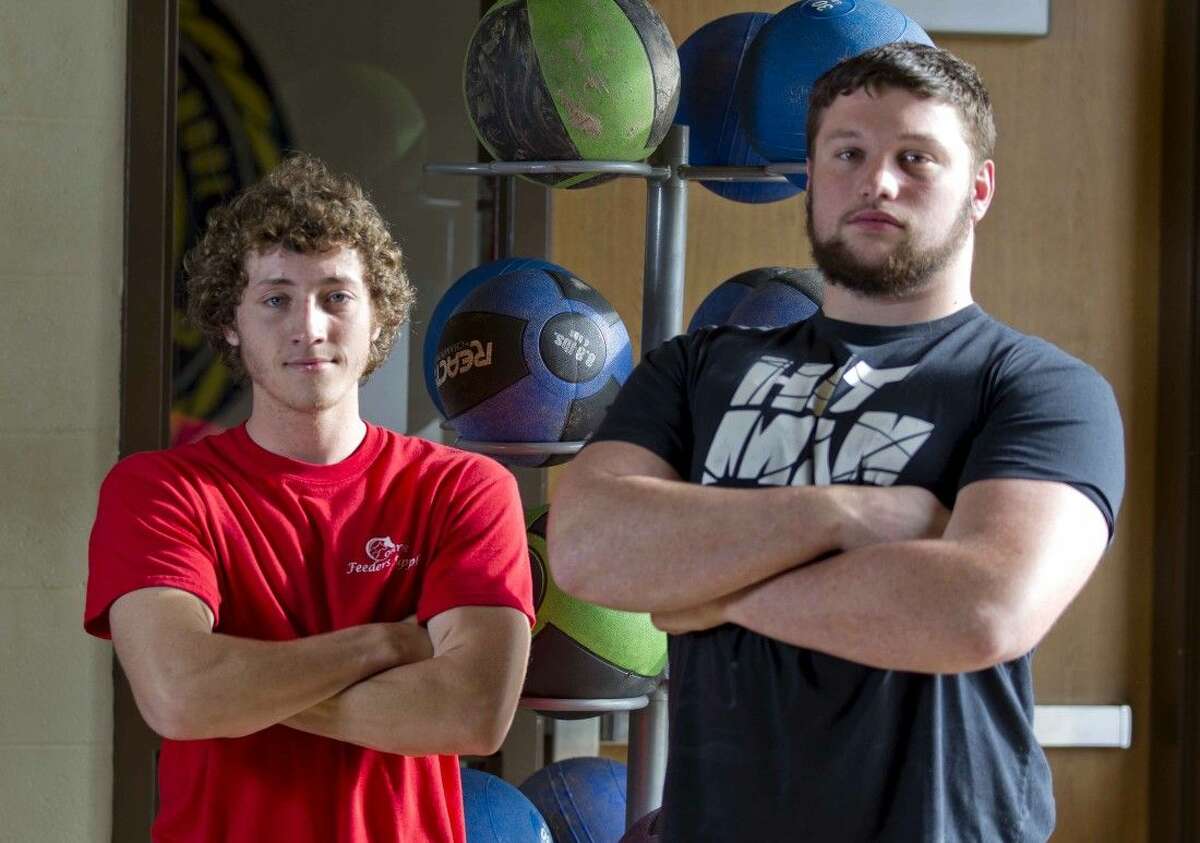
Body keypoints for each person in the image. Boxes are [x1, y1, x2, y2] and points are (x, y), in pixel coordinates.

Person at [549, 43, 1124, 843]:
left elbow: (983, 608)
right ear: (812, 178)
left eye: (915, 158)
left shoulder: (1040, 388)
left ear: (979, 189)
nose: (877, 182)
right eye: (848, 153)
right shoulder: (697, 368)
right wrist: (840, 514)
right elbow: (585, 547)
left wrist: (703, 593)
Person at [84, 154, 534, 843]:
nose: (310, 326)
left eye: (336, 295)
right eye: (276, 298)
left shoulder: (463, 490)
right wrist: (389, 643)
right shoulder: (160, 492)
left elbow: (470, 712)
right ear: (229, 321)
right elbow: (179, 695)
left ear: (378, 314)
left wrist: (234, 688)